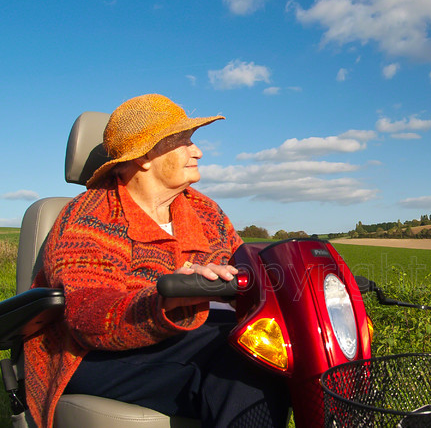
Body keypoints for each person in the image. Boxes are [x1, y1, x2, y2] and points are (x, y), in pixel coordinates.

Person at [24, 94, 289, 428]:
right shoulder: (89, 217)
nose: (198, 151)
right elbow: (87, 315)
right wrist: (164, 300)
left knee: (282, 344)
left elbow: (244, 265)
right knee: (241, 356)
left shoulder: (206, 211)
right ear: (146, 155)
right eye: (184, 142)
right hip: (93, 357)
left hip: (191, 342)